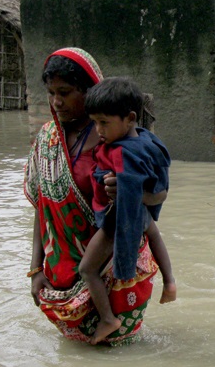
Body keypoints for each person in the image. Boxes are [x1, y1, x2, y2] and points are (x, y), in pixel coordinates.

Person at [24, 48, 161, 345]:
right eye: (51, 93)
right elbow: (42, 208)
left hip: (116, 266)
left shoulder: (116, 137)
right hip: (63, 276)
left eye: (66, 92)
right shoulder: (47, 140)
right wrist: (35, 269)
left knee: (121, 355)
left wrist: (126, 191)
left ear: (88, 90)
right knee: (79, 358)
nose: (56, 101)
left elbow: (155, 197)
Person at [79, 77, 175, 345]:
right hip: (143, 213)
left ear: (130, 118)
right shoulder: (147, 140)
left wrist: (123, 264)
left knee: (87, 269)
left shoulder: (123, 153)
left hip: (120, 220)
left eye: (104, 122)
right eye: (95, 122)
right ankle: (170, 282)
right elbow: (159, 190)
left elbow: (129, 194)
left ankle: (109, 319)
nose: (98, 129)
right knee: (154, 233)